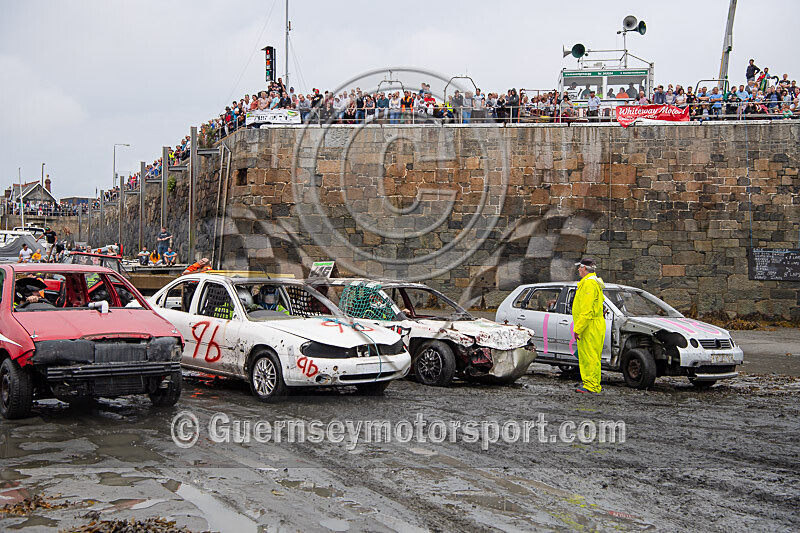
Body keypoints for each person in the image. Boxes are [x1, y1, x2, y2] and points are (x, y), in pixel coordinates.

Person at [572, 258, 606, 394]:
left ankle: (590, 385)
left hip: (590, 326)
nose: (578, 270)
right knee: (593, 356)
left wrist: (578, 329)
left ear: (584, 268)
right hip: (594, 324)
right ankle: (593, 384)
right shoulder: (594, 283)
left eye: (579, 268)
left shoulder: (588, 284)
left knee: (589, 356)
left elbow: (586, 310)